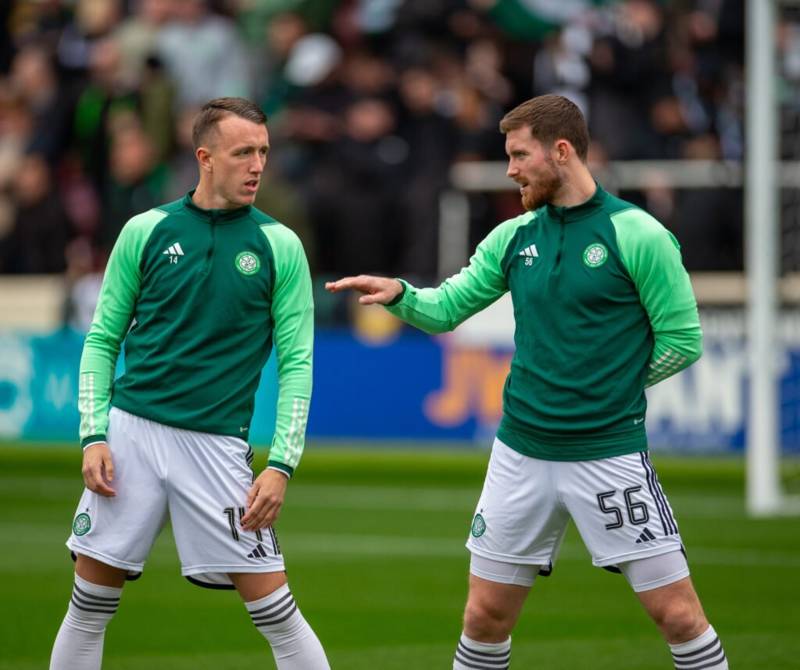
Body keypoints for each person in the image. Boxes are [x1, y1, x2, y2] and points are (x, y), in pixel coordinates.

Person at [326, 94, 728, 670]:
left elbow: (682, 340)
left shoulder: (638, 234)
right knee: (484, 618)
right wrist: (402, 295)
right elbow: (446, 309)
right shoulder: (513, 237)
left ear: (561, 152)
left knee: (679, 616)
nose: (510, 169)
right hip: (520, 454)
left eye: (519, 155)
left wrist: (611, 387)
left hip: (608, 455)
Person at [50, 97, 330, 670]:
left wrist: (281, 465)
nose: (257, 165)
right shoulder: (145, 231)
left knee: (277, 612)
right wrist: (93, 435)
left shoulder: (280, 246)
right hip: (129, 439)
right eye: (242, 152)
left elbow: (299, 363)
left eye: (264, 152)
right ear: (205, 157)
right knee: (88, 604)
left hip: (217, 448)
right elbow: (102, 340)